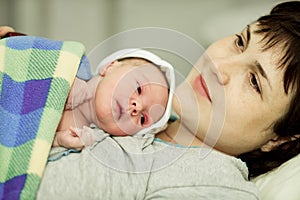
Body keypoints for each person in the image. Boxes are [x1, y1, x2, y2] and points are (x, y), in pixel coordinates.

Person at [3, 1, 300, 199]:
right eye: (240, 42)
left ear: (281, 140)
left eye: (254, 81)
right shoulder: (144, 98)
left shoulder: (214, 186)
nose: (218, 66)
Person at [54, 48, 175, 150]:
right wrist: (59, 85)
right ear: (110, 67)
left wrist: (58, 140)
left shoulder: (81, 137)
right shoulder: (69, 65)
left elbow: (37, 142)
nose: (137, 107)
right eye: (138, 89)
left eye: (143, 119)